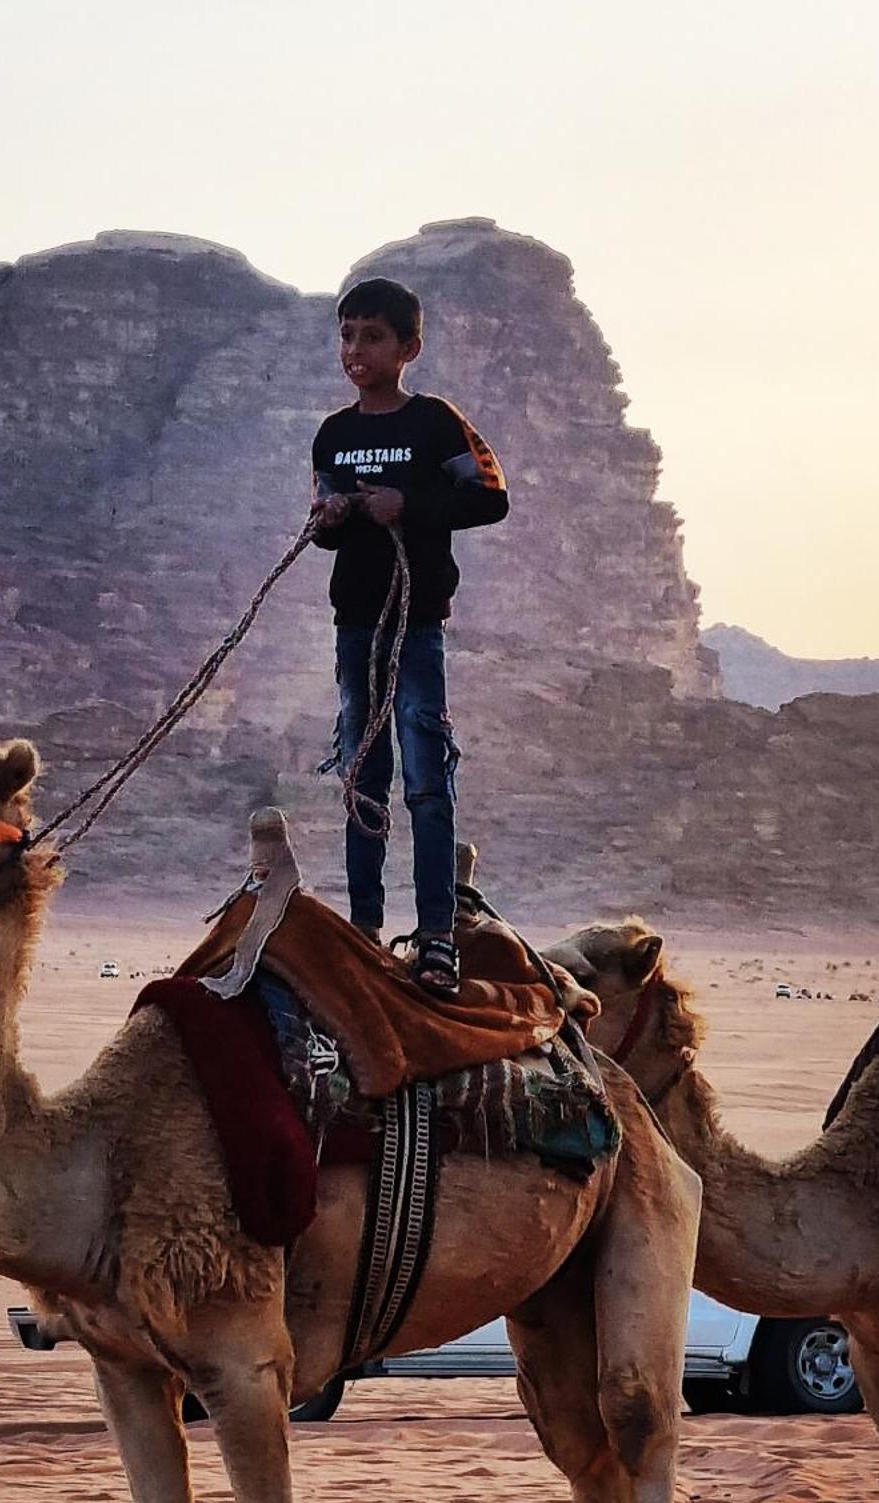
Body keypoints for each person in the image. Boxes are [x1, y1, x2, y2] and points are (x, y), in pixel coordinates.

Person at [309, 276, 509, 996]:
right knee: (363, 774)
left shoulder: (435, 423)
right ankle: (363, 929)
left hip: (416, 625)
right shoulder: (334, 433)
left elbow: (489, 496)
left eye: (372, 337)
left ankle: (435, 939)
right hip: (355, 625)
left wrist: (408, 506)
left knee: (428, 780)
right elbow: (324, 519)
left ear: (409, 348)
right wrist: (332, 518)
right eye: (347, 335)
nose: (355, 350)